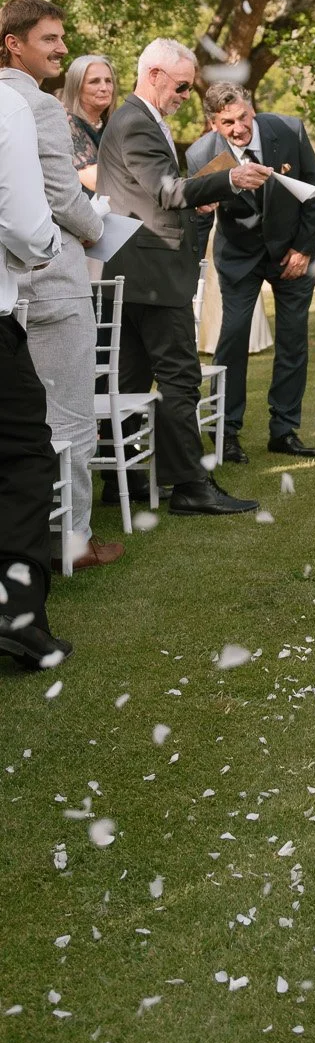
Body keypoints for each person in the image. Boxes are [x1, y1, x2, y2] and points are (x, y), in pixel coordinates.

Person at [96, 39, 268, 517]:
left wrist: (201, 194)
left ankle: (122, 478)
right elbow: (169, 192)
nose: (184, 96)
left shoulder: (135, 119)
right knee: (179, 377)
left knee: (127, 377)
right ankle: (191, 485)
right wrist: (230, 180)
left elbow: (153, 193)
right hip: (152, 271)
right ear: (153, 74)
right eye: (181, 86)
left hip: (132, 268)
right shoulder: (135, 121)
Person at [0, 0, 121, 571]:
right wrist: (98, 228)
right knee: (71, 418)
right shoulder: (39, 107)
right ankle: (76, 542)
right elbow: (60, 196)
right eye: (49, 39)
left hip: (7, 290)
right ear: (13, 43)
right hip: (52, 284)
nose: (61, 49)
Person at [187, 83, 315, 463]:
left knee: (293, 341)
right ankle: (226, 432)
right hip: (238, 256)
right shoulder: (200, 154)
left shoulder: (289, 130)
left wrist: (304, 249)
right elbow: (198, 216)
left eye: (243, 116)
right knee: (231, 339)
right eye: (227, 122)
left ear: (252, 108)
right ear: (213, 123)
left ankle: (284, 430)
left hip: (291, 251)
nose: (238, 128)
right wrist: (192, 263)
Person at [0, 82, 69, 670]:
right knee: (25, 459)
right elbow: (25, 222)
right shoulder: (9, 107)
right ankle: (18, 614)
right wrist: (44, 246)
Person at [62, 51, 119, 192]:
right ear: (76, 87)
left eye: (108, 81)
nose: (104, 88)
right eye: (94, 81)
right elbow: (96, 181)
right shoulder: (67, 124)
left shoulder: (111, 125)